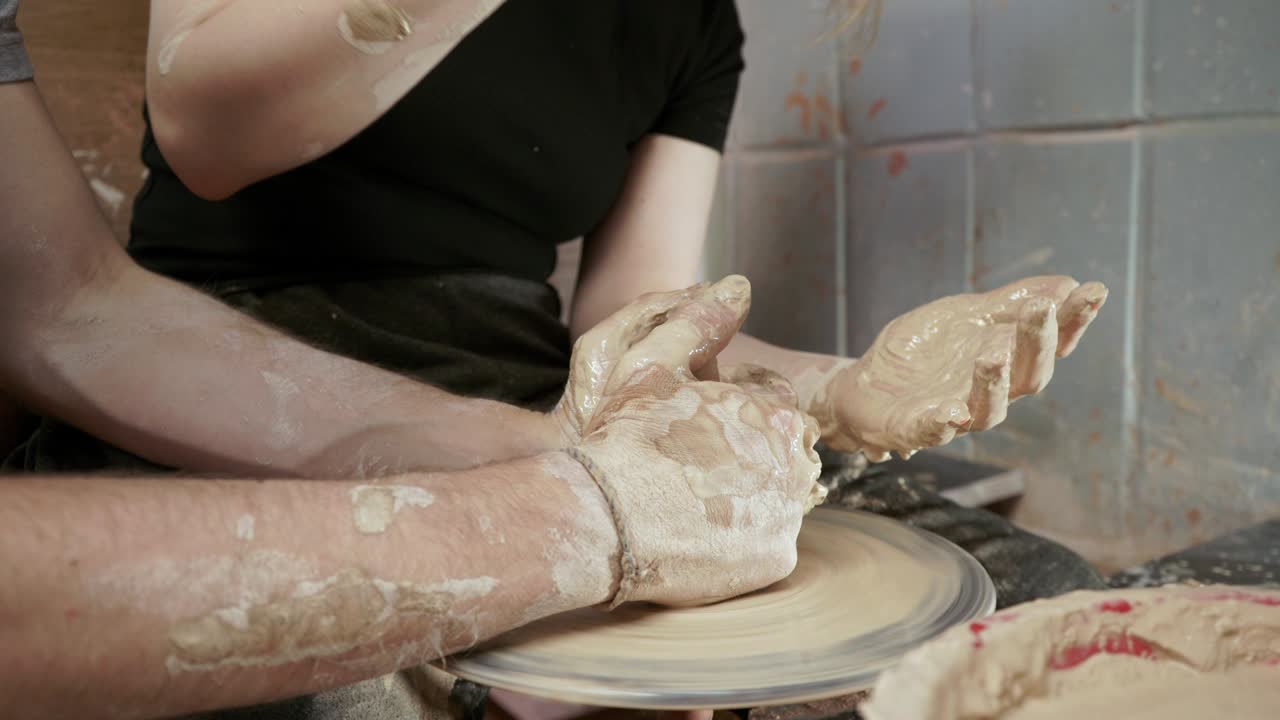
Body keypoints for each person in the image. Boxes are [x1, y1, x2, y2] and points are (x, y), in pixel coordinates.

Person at [1, 0, 1110, 718]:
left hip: (528, 395)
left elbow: (635, 316)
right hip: (228, 376)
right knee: (357, 692)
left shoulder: (688, 24)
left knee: (1030, 611)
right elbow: (205, 136)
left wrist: (835, 387)